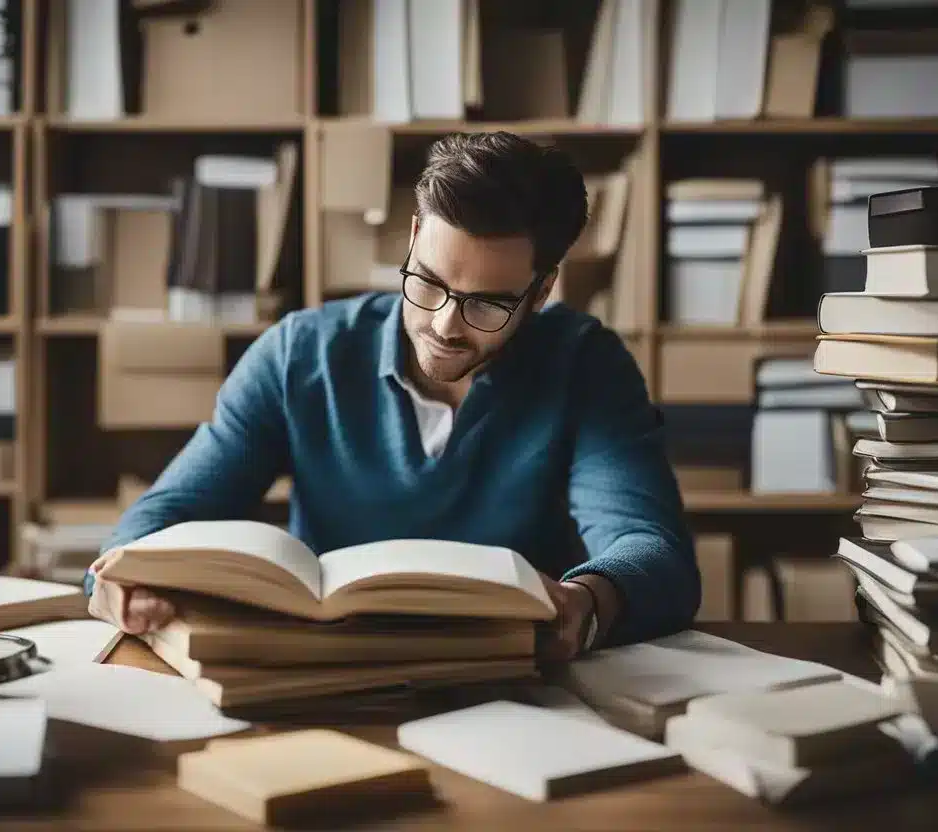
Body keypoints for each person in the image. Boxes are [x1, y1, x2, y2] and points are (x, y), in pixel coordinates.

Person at [87, 131, 699, 660]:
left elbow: (653, 551)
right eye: (428, 283)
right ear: (411, 239)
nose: (444, 324)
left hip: (510, 678)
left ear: (540, 293)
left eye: (487, 302)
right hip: (320, 672)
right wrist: (124, 580)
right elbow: (158, 521)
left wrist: (587, 601)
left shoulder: (586, 363)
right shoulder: (299, 353)